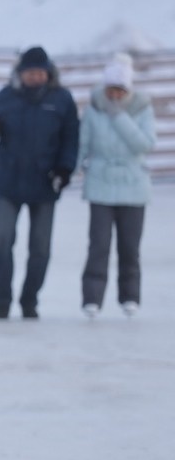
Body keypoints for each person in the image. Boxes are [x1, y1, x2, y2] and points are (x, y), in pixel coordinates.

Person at [0, 46, 79, 320]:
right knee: (3, 240)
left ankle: (30, 300)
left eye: (40, 72)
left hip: (45, 184)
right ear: (21, 73)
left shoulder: (62, 100)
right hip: (9, 182)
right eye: (30, 72)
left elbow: (70, 139)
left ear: (48, 73)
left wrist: (64, 170)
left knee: (41, 247)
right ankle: (2, 301)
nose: (35, 77)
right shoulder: (7, 96)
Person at [77, 52, 156, 318]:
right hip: (100, 184)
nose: (115, 95)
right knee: (98, 244)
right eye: (111, 89)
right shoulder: (93, 109)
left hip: (134, 187)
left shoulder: (143, 108)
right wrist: (72, 170)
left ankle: (130, 297)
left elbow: (145, 144)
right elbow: (83, 144)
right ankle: (92, 298)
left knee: (129, 247)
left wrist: (119, 117)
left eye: (120, 90)